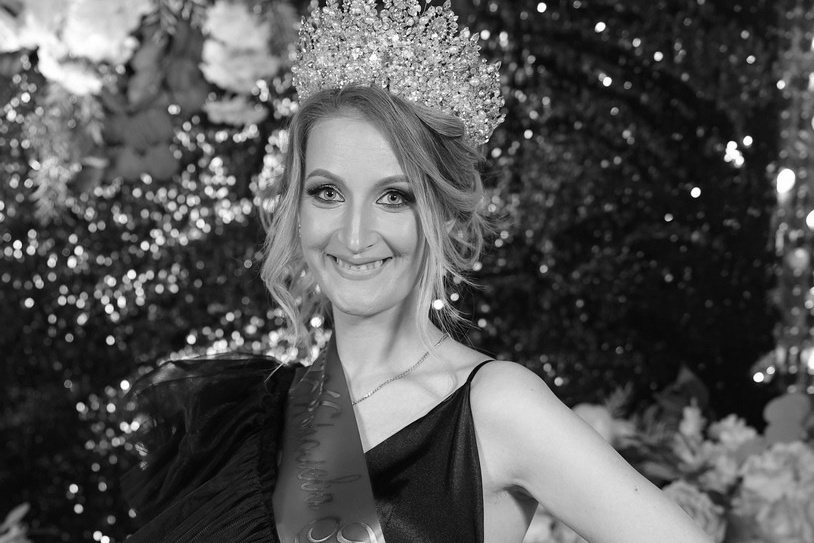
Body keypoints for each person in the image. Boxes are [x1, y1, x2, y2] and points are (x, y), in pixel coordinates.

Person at [122, 1, 714, 542]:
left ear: (445, 215)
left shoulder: (496, 406)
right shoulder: (247, 417)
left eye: (394, 197)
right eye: (327, 192)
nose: (355, 236)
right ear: (295, 209)